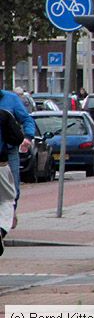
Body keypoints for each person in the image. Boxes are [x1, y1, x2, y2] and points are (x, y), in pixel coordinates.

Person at [0, 90, 36, 229]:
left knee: (13, 186)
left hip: (9, 151)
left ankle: (9, 212)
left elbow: (27, 119)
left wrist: (28, 137)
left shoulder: (11, 99)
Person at [0, 109, 26, 255]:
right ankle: (1, 229)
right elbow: (17, 138)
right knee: (7, 199)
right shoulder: (4, 115)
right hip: (1, 165)